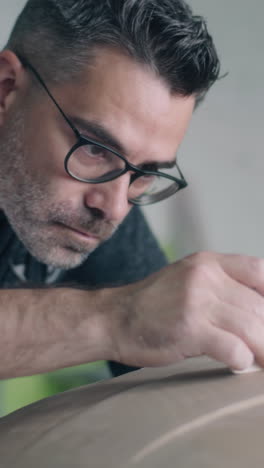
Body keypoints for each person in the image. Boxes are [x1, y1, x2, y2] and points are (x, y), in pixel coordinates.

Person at [0, 0, 263, 381]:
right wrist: (119, 318)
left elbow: (173, 367)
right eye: (94, 149)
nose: (115, 208)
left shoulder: (100, 198)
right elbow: (134, 317)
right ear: (7, 89)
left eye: (146, 173)